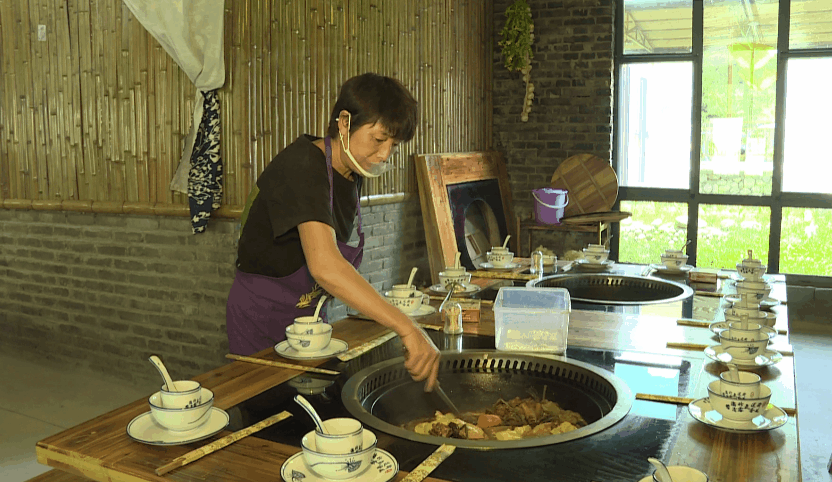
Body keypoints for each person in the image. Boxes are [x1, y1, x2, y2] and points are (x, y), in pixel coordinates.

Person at [226, 73, 440, 390]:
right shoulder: (303, 165)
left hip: (311, 320)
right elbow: (325, 266)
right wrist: (406, 327)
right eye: (378, 140)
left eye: (393, 145)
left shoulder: (350, 173)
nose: (384, 154)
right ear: (344, 122)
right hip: (262, 319)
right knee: (272, 411)